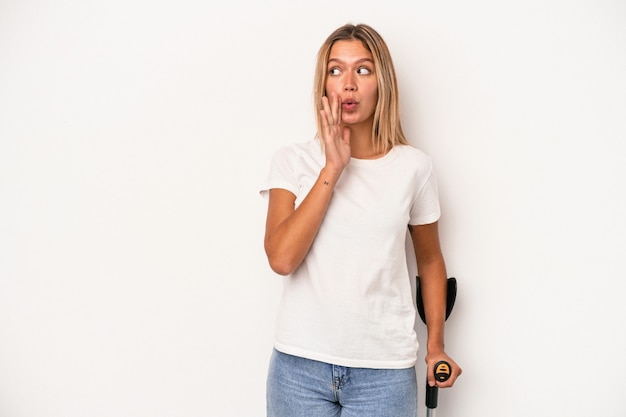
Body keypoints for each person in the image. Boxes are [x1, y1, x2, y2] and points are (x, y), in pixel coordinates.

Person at [260, 23, 461, 417]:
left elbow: (431, 261)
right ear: (324, 84)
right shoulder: (292, 160)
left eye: (363, 70)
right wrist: (333, 169)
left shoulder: (413, 167)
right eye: (336, 70)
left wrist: (436, 343)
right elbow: (282, 259)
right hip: (299, 368)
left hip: (384, 374)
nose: (348, 84)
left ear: (381, 82)